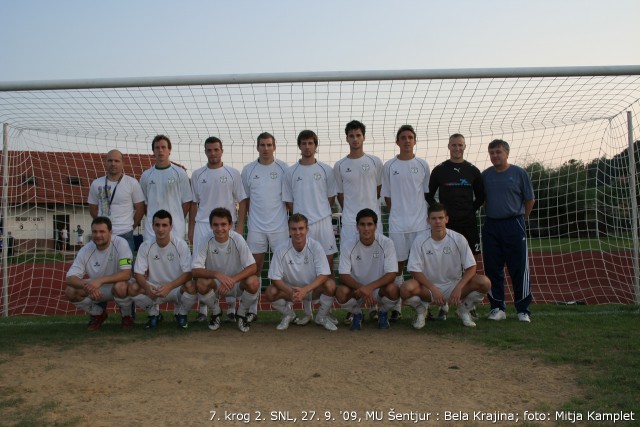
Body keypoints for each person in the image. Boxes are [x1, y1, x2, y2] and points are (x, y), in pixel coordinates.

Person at [401, 203, 490, 328]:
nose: (438, 222)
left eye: (441, 218)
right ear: (428, 221)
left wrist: (459, 287)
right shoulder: (420, 240)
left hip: (453, 286)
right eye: (434, 218)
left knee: (484, 282)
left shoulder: (458, 239)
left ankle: (464, 309)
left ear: (446, 219)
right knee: (405, 289)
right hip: (429, 289)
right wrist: (433, 288)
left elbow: (471, 267)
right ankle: (421, 311)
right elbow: (414, 270)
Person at [425, 133, 485, 320]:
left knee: (471, 262)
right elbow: (429, 194)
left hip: (468, 224)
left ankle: (467, 304)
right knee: (445, 260)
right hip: (447, 225)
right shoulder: (440, 170)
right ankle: (442, 304)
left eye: (460, 145)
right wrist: (441, 213)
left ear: (465, 147)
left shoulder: (473, 170)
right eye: (454, 145)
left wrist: (469, 210)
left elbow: (481, 196)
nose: (457, 148)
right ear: (448, 146)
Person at [189, 136, 248, 322]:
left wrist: (239, 225)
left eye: (216, 149)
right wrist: (191, 228)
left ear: (222, 151)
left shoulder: (233, 173)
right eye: (209, 150)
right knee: (202, 267)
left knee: (230, 264)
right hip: (202, 225)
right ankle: (205, 309)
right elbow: (193, 203)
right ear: (205, 152)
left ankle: (231, 308)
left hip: (225, 226)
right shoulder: (198, 174)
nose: (213, 153)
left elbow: (243, 200)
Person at [282, 130, 338, 325]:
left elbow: (331, 198)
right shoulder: (290, 172)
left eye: (310, 143)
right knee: (303, 269)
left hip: (322, 223)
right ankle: (307, 312)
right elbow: (289, 202)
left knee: (327, 270)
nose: (307, 146)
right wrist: (302, 220)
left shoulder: (326, 170)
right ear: (299, 146)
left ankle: (324, 312)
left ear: (316, 146)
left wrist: (318, 213)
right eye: (303, 143)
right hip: (301, 226)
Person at [334, 120, 384, 325]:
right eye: (351, 136)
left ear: (364, 137)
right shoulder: (340, 165)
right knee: (352, 265)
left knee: (376, 262)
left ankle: (374, 305)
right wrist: (352, 214)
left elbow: (379, 190)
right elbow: (340, 195)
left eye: (358, 135)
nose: (355, 139)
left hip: (373, 221)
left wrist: (368, 210)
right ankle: (355, 309)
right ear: (346, 138)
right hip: (349, 222)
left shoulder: (375, 162)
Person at [380, 125, 430, 322]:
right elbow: (388, 197)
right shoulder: (389, 166)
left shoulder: (423, 164)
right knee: (398, 266)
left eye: (410, 137)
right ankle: (397, 307)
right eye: (403, 137)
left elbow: (425, 193)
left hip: (420, 225)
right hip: (398, 225)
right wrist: (399, 214)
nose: (407, 140)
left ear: (415, 141)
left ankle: (425, 306)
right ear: (397, 141)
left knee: (421, 266)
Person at [482, 139, 535, 322]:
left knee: (518, 268)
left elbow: (529, 200)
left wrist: (521, 219)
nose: (495, 156)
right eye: (492, 153)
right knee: (493, 268)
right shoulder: (485, 175)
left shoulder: (519, 173)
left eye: (498, 152)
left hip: (514, 223)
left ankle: (523, 310)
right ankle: (497, 308)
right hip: (491, 225)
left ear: (507, 153)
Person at [241, 132, 289, 323]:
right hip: (256, 227)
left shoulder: (284, 168)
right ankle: (253, 309)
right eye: (262, 145)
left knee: (283, 270)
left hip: (280, 227)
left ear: (274, 146)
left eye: (269, 145)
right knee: (255, 269)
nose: (266, 148)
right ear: (257, 147)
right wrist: (241, 224)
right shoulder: (248, 170)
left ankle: (288, 312)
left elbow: (288, 199)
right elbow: (245, 200)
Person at [266, 213, 338, 331]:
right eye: (294, 229)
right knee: (270, 292)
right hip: (291, 292)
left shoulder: (316, 246)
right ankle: (288, 314)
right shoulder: (281, 249)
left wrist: (305, 290)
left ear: (307, 229)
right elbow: (275, 278)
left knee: (330, 285)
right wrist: (290, 292)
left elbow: (325, 274)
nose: (297, 232)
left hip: (311, 290)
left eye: (301, 228)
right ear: (289, 231)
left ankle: (321, 317)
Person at [192, 207, 259, 333]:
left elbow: (253, 267)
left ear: (230, 225)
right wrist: (217, 275)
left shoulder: (237, 239)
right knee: (201, 282)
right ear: (211, 226)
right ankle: (216, 312)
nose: (219, 228)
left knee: (253, 281)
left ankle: (241, 313)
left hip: (236, 283)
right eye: (215, 225)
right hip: (217, 285)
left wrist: (232, 280)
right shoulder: (205, 240)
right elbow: (195, 270)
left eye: (223, 224)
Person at [129, 210, 196, 330]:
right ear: (152, 227)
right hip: (154, 289)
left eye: (164, 225)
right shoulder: (145, 246)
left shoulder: (181, 244)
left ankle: (182, 314)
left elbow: (188, 273)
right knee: (133, 288)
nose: (161, 229)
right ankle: (153, 314)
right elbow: (138, 274)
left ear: (171, 227)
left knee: (191, 286)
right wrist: (147, 287)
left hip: (176, 288)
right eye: (157, 225)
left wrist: (169, 287)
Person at [64, 217, 134, 331]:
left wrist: (99, 281)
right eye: (95, 232)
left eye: (102, 231)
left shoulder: (121, 244)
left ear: (110, 232)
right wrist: (88, 286)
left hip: (117, 286)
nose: (97, 235)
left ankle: (127, 316)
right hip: (96, 289)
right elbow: (70, 278)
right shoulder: (86, 250)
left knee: (121, 286)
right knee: (70, 291)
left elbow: (126, 274)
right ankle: (98, 314)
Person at [336, 209, 399, 330]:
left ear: (376, 226)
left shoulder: (387, 243)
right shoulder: (348, 245)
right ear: (357, 227)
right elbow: (343, 275)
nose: (366, 228)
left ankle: (383, 311)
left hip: (379, 290)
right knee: (341, 292)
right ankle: (357, 313)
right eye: (362, 224)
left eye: (369, 224)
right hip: (357, 290)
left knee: (393, 289)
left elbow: (392, 274)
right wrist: (362, 288)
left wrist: (369, 288)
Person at [88, 149, 145, 254]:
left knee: (126, 267)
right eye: (110, 161)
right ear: (105, 162)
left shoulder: (132, 183)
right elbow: (93, 209)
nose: (113, 164)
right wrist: (102, 226)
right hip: (103, 235)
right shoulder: (96, 184)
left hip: (125, 234)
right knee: (104, 268)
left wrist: (130, 227)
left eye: (117, 161)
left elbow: (140, 209)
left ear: (123, 163)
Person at [139, 135, 193, 243]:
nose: (160, 150)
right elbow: (144, 203)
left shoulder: (180, 173)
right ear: (153, 151)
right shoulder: (146, 175)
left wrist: (177, 218)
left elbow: (187, 202)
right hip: (152, 229)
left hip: (175, 228)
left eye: (163, 147)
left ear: (169, 150)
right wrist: (153, 218)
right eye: (157, 148)